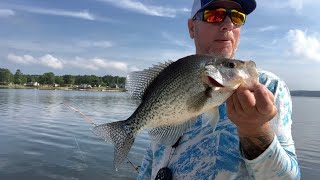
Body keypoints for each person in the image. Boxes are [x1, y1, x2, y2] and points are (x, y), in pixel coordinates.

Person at [137, 0, 301, 179]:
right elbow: (150, 164)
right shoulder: (169, 83)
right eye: (215, 15)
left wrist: (257, 132)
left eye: (237, 17)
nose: (228, 25)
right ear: (192, 28)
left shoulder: (267, 88)